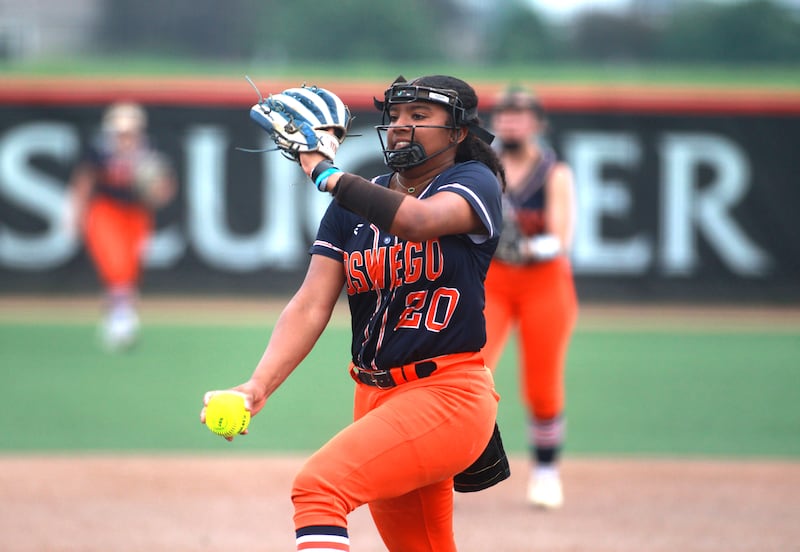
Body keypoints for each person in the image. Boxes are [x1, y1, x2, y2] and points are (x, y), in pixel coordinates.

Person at [201, 75, 506, 552]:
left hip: (447, 394)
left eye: (420, 117)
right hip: (375, 397)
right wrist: (257, 385)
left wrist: (326, 173)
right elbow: (310, 303)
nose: (402, 125)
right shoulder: (351, 208)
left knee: (319, 489)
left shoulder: (472, 183)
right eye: (398, 116)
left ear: (459, 133)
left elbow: (418, 222)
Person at [482, 85, 578, 510]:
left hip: (544, 281)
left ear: (537, 123)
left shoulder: (554, 172)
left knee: (542, 382)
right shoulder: (483, 167)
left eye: (519, 115)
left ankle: (545, 471)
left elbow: (560, 237)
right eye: (504, 114)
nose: (510, 121)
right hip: (494, 282)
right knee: (471, 373)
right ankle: (455, 462)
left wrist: (524, 246)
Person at [67, 101, 176, 350]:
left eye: (129, 132)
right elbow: (84, 180)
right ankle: (121, 320)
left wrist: (156, 191)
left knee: (129, 268)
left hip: (136, 213)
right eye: (120, 132)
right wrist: (75, 213)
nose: (125, 137)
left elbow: (164, 188)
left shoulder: (148, 152)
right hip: (106, 210)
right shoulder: (100, 150)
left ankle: (117, 317)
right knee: (115, 266)